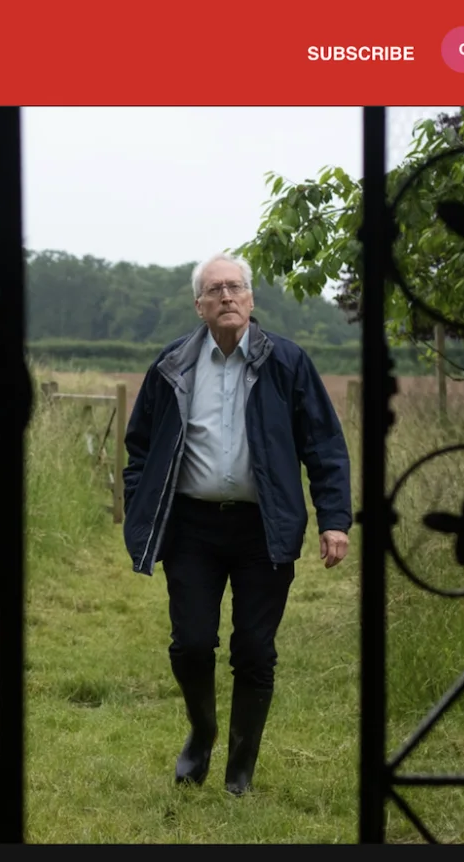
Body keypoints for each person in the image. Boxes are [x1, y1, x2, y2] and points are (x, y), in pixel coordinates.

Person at [122, 251, 351, 795]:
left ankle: (241, 769)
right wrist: (141, 503)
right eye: (215, 289)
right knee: (193, 644)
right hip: (192, 530)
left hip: (263, 529)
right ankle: (201, 737)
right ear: (198, 305)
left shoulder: (287, 363)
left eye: (236, 287)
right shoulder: (171, 364)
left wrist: (334, 519)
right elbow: (139, 448)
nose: (227, 296)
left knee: (254, 648)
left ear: (251, 300)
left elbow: (324, 446)